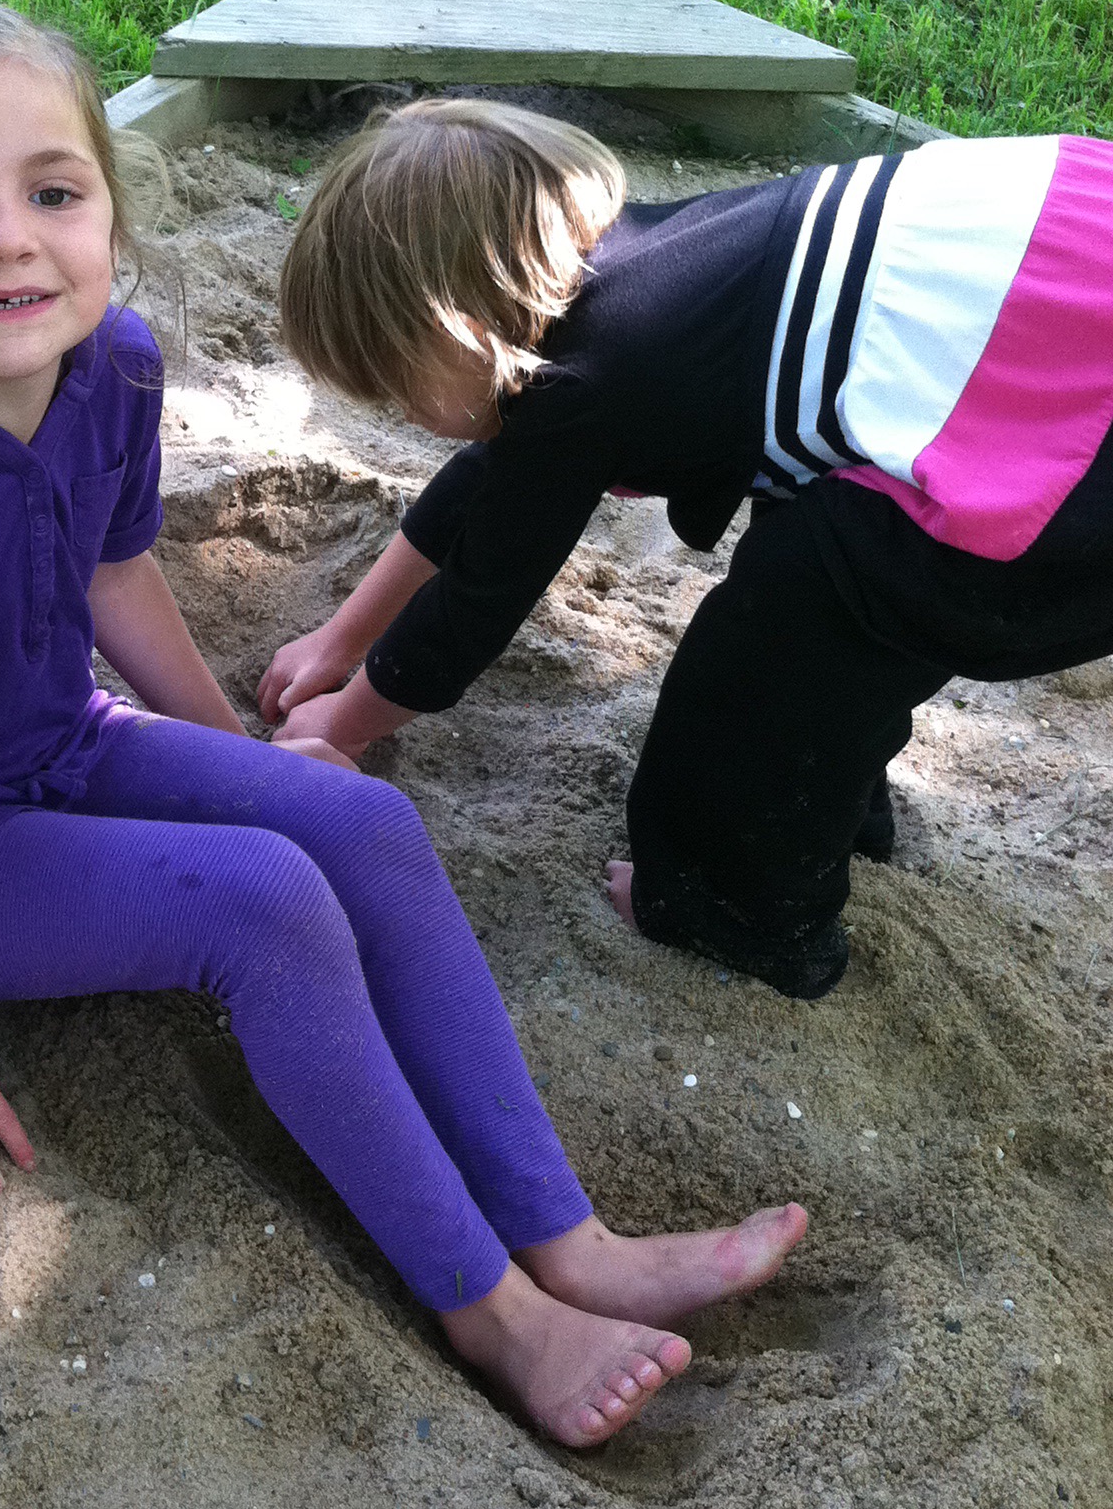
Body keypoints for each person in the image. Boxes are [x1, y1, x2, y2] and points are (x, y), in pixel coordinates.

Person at [0, 0, 805, 1450]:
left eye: (53, 192)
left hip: (47, 747)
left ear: (109, 217)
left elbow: (111, 573)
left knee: (352, 821)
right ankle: (498, 1316)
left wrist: (238, 764)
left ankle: (568, 1241)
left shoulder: (109, 368)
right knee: (264, 905)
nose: (5, 239)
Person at [263, 97, 1113, 1001]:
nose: (402, 416)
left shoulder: (579, 391)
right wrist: (341, 641)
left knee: (794, 614)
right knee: (833, 553)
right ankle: (827, 806)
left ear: (461, 332)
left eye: (398, 390)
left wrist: (341, 728)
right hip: (1054, 297)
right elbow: (485, 487)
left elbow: (472, 609)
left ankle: (737, 909)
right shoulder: (636, 276)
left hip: (1071, 442)